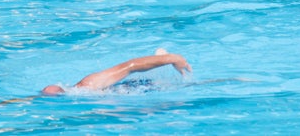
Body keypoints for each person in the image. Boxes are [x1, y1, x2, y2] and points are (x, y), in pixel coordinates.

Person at [40, 49, 191, 96]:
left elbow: (130, 66)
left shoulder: (89, 84)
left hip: (147, 87)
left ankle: (161, 59)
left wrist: (171, 59)